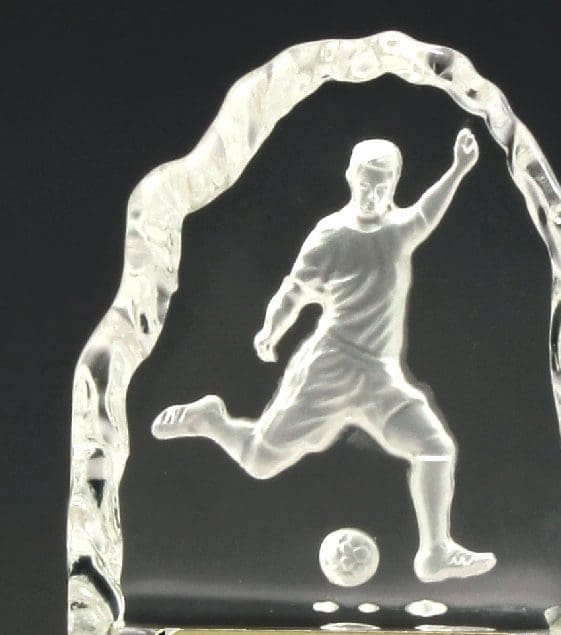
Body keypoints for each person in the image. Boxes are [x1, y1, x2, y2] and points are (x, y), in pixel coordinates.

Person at [152, 128, 496, 582]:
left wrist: (459, 168)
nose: (373, 194)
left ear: (394, 183)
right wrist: (271, 329)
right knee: (259, 461)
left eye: (383, 185)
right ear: (351, 176)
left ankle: (434, 553)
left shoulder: (397, 232)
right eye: (367, 183)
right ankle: (210, 420)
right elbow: (294, 290)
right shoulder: (331, 236)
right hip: (330, 367)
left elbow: (427, 211)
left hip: (380, 377)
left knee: (435, 448)